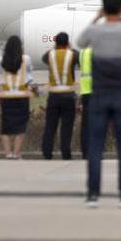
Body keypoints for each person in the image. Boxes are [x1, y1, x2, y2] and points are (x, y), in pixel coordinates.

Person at [77, 0, 121, 209]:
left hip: (99, 94)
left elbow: (79, 41)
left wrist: (97, 17)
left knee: (96, 147)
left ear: (104, 8)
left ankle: (92, 195)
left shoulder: (95, 31)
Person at [0, 36, 37, 159]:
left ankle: (8, 154)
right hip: (22, 96)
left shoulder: (1, 60)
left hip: (6, 96)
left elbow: (1, 73)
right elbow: (29, 72)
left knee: (6, 126)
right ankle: (16, 154)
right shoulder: (26, 59)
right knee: (20, 126)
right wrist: (23, 53)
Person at [41, 32, 79, 160]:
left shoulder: (50, 55)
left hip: (53, 96)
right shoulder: (72, 54)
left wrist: (55, 48)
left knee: (50, 127)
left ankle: (47, 153)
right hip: (68, 97)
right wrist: (70, 48)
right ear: (68, 43)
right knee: (66, 128)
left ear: (56, 43)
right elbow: (78, 56)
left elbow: (44, 58)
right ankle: (66, 154)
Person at [78, 46, 93, 160]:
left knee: (86, 124)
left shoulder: (82, 52)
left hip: (85, 91)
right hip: (97, 91)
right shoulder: (98, 51)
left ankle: (85, 152)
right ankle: (95, 151)